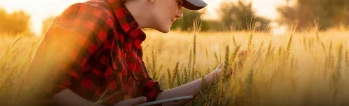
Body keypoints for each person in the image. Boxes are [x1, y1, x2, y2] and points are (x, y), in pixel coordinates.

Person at [27, 0, 242, 106]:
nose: (179, 13)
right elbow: (41, 88)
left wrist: (215, 77)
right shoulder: (94, 16)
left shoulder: (130, 40)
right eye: (178, 2)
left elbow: (153, 99)